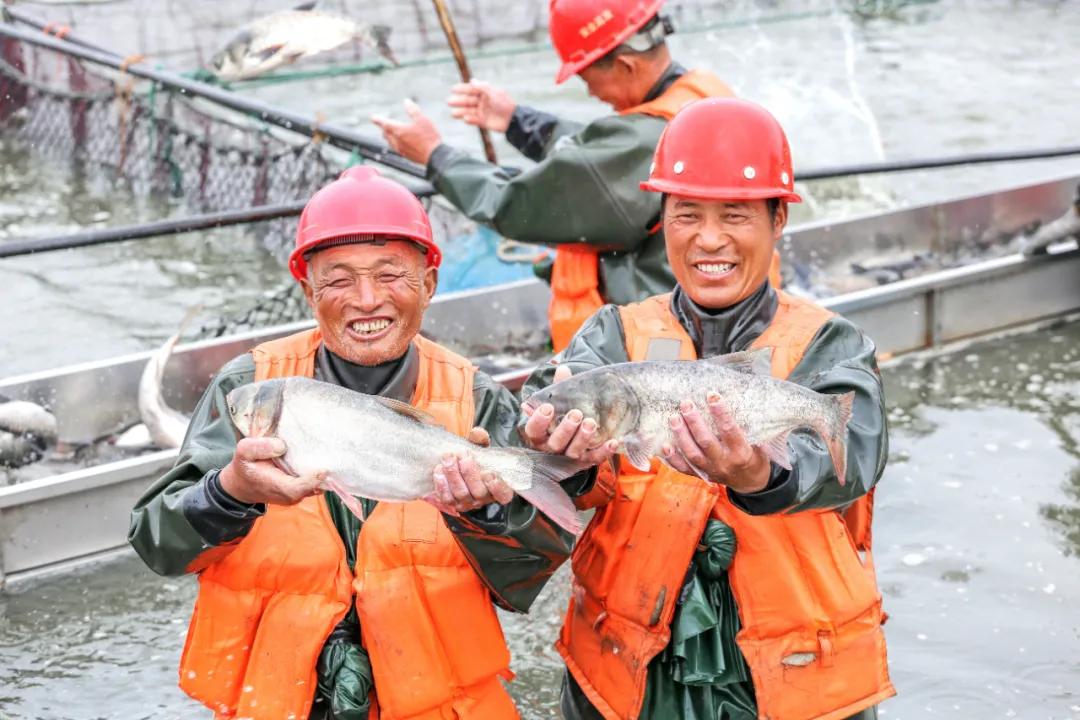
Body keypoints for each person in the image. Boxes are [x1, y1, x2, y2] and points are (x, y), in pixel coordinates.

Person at [128, 166, 580, 720]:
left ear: (429, 283)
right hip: (285, 700)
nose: (367, 300)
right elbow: (158, 545)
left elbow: (531, 573)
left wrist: (484, 512)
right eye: (339, 279)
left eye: (391, 275)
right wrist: (230, 489)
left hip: (436, 700)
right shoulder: (251, 387)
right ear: (307, 288)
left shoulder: (476, 398)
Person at [519, 98, 894, 720]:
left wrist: (760, 474)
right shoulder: (610, 337)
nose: (709, 238)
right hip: (630, 665)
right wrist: (559, 455)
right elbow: (549, 446)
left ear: (779, 221)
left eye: (736, 215)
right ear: (659, 221)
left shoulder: (834, 345)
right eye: (686, 214)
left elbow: (857, 456)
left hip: (796, 669)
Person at [373, 0, 735, 351]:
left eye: (586, 77)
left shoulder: (644, 139)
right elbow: (599, 154)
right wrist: (517, 121)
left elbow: (513, 204)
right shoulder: (704, 98)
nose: (590, 92)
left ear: (624, 66)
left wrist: (436, 156)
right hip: (711, 324)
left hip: (658, 345)